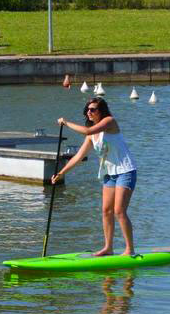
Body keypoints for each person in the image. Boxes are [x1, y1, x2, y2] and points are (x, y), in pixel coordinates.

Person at [51, 96, 137, 256]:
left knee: (119, 210)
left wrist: (66, 122)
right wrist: (61, 173)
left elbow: (88, 129)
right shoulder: (91, 137)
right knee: (106, 211)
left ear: (101, 111)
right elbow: (78, 157)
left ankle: (129, 249)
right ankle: (108, 248)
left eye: (93, 109)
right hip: (109, 174)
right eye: (87, 109)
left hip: (126, 170)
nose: (89, 112)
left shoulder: (109, 122)